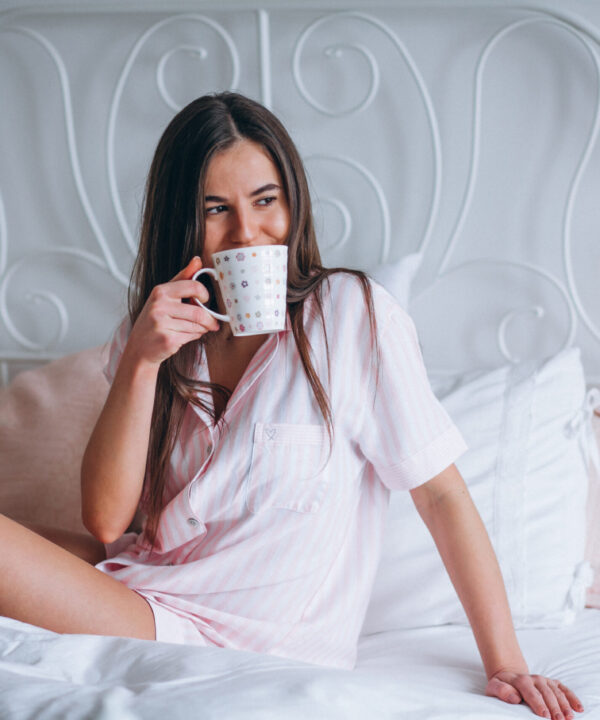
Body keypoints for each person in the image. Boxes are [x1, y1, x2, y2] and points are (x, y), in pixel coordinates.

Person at [0, 92, 583, 719]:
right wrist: (142, 361)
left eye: (265, 200)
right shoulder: (162, 333)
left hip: (247, 638)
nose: (247, 233)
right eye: (215, 209)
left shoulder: (351, 315)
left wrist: (507, 664)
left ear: (293, 201)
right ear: (181, 222)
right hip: (148, 585)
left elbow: (439, 495)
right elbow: (107, 523)